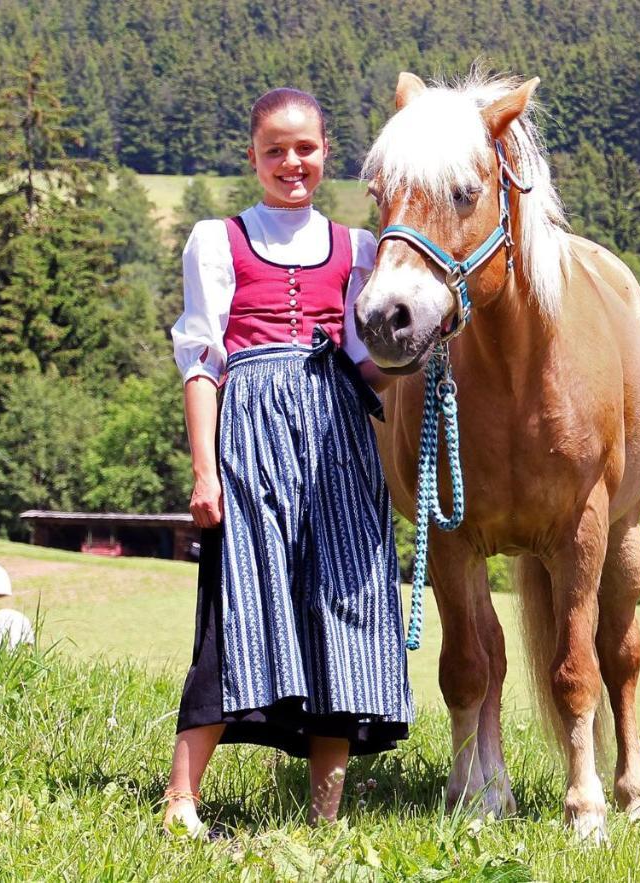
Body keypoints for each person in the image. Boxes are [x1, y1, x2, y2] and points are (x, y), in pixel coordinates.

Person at [162, 87, 412, 836]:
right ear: (254, 158)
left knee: (341, 608)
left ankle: (325, 818)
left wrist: (414, 357)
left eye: (305, 147)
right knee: (234, 605)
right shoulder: (218, 239)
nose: (291, 162)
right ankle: (181, 800)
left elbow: (367, 366)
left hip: (337, 438)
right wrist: (205, 471)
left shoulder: (358, 248)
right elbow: (202, 364)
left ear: (325, 151)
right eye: (276, 149)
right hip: (251, 439)